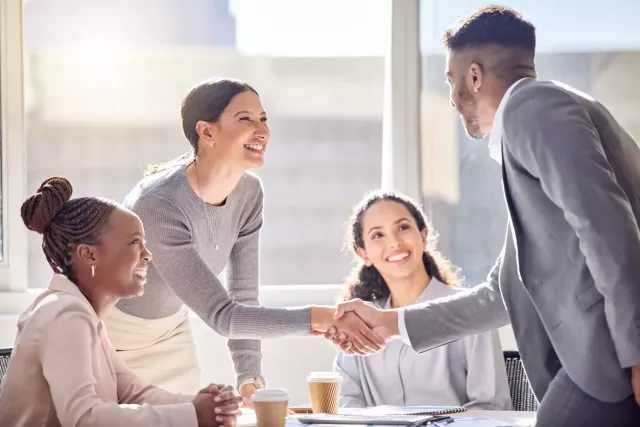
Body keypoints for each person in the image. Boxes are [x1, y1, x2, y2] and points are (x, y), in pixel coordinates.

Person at [329, 5, 640, 426]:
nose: (453, 98)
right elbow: (500, 293)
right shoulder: (537, 124)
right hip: (602, 363)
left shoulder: (533, 107)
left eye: (450, 80)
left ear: (474, 76)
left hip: (610, 362)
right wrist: (388, 322)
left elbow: (608, 229)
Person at [104, 77, 384, 400]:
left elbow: (244, 296)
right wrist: (325, 319)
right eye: (245, 119)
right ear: (207, 131)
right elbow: (224, 316)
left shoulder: (250, 194)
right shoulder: (158, 204)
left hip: (169, 334)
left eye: (263, 119)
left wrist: (249, 378)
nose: (262, 131)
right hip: (111, 336)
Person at [0, 177, 242, 427]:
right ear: (89, 254)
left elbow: (133, 391)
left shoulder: (83, 314)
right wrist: (192, 415)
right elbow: (83, 418)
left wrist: (197, 405)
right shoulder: (64, 314)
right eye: (134, 242)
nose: (147, 255)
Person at [334, 191, 511, 410]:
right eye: (378, 235)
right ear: (364, 254)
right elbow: (345, 403)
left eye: (403, 227)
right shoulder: (358, 322)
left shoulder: (471, 312)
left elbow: (490, 406)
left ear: (423, 235)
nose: (395, 242)